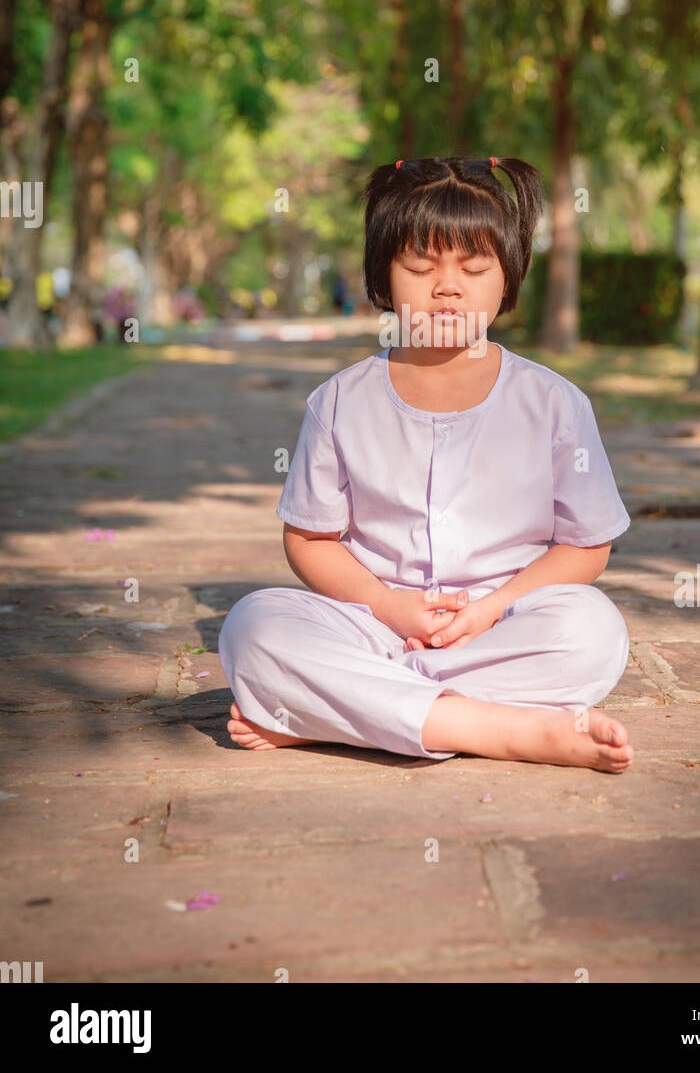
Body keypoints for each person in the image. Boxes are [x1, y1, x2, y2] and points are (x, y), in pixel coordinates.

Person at [219, 156, 634, 771]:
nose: (448, 286)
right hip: (373, 625)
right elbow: (310, 539)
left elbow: (586, 547)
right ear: (384, 277)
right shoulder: (340, 401)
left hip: (500, 623)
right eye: (420, 266)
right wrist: (390, 607)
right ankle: (499, 728)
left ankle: (341, 713)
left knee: (594, 630)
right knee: (252, 626)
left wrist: (491, 609)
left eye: (474, 267)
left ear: (508, 278)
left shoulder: (555, 404)